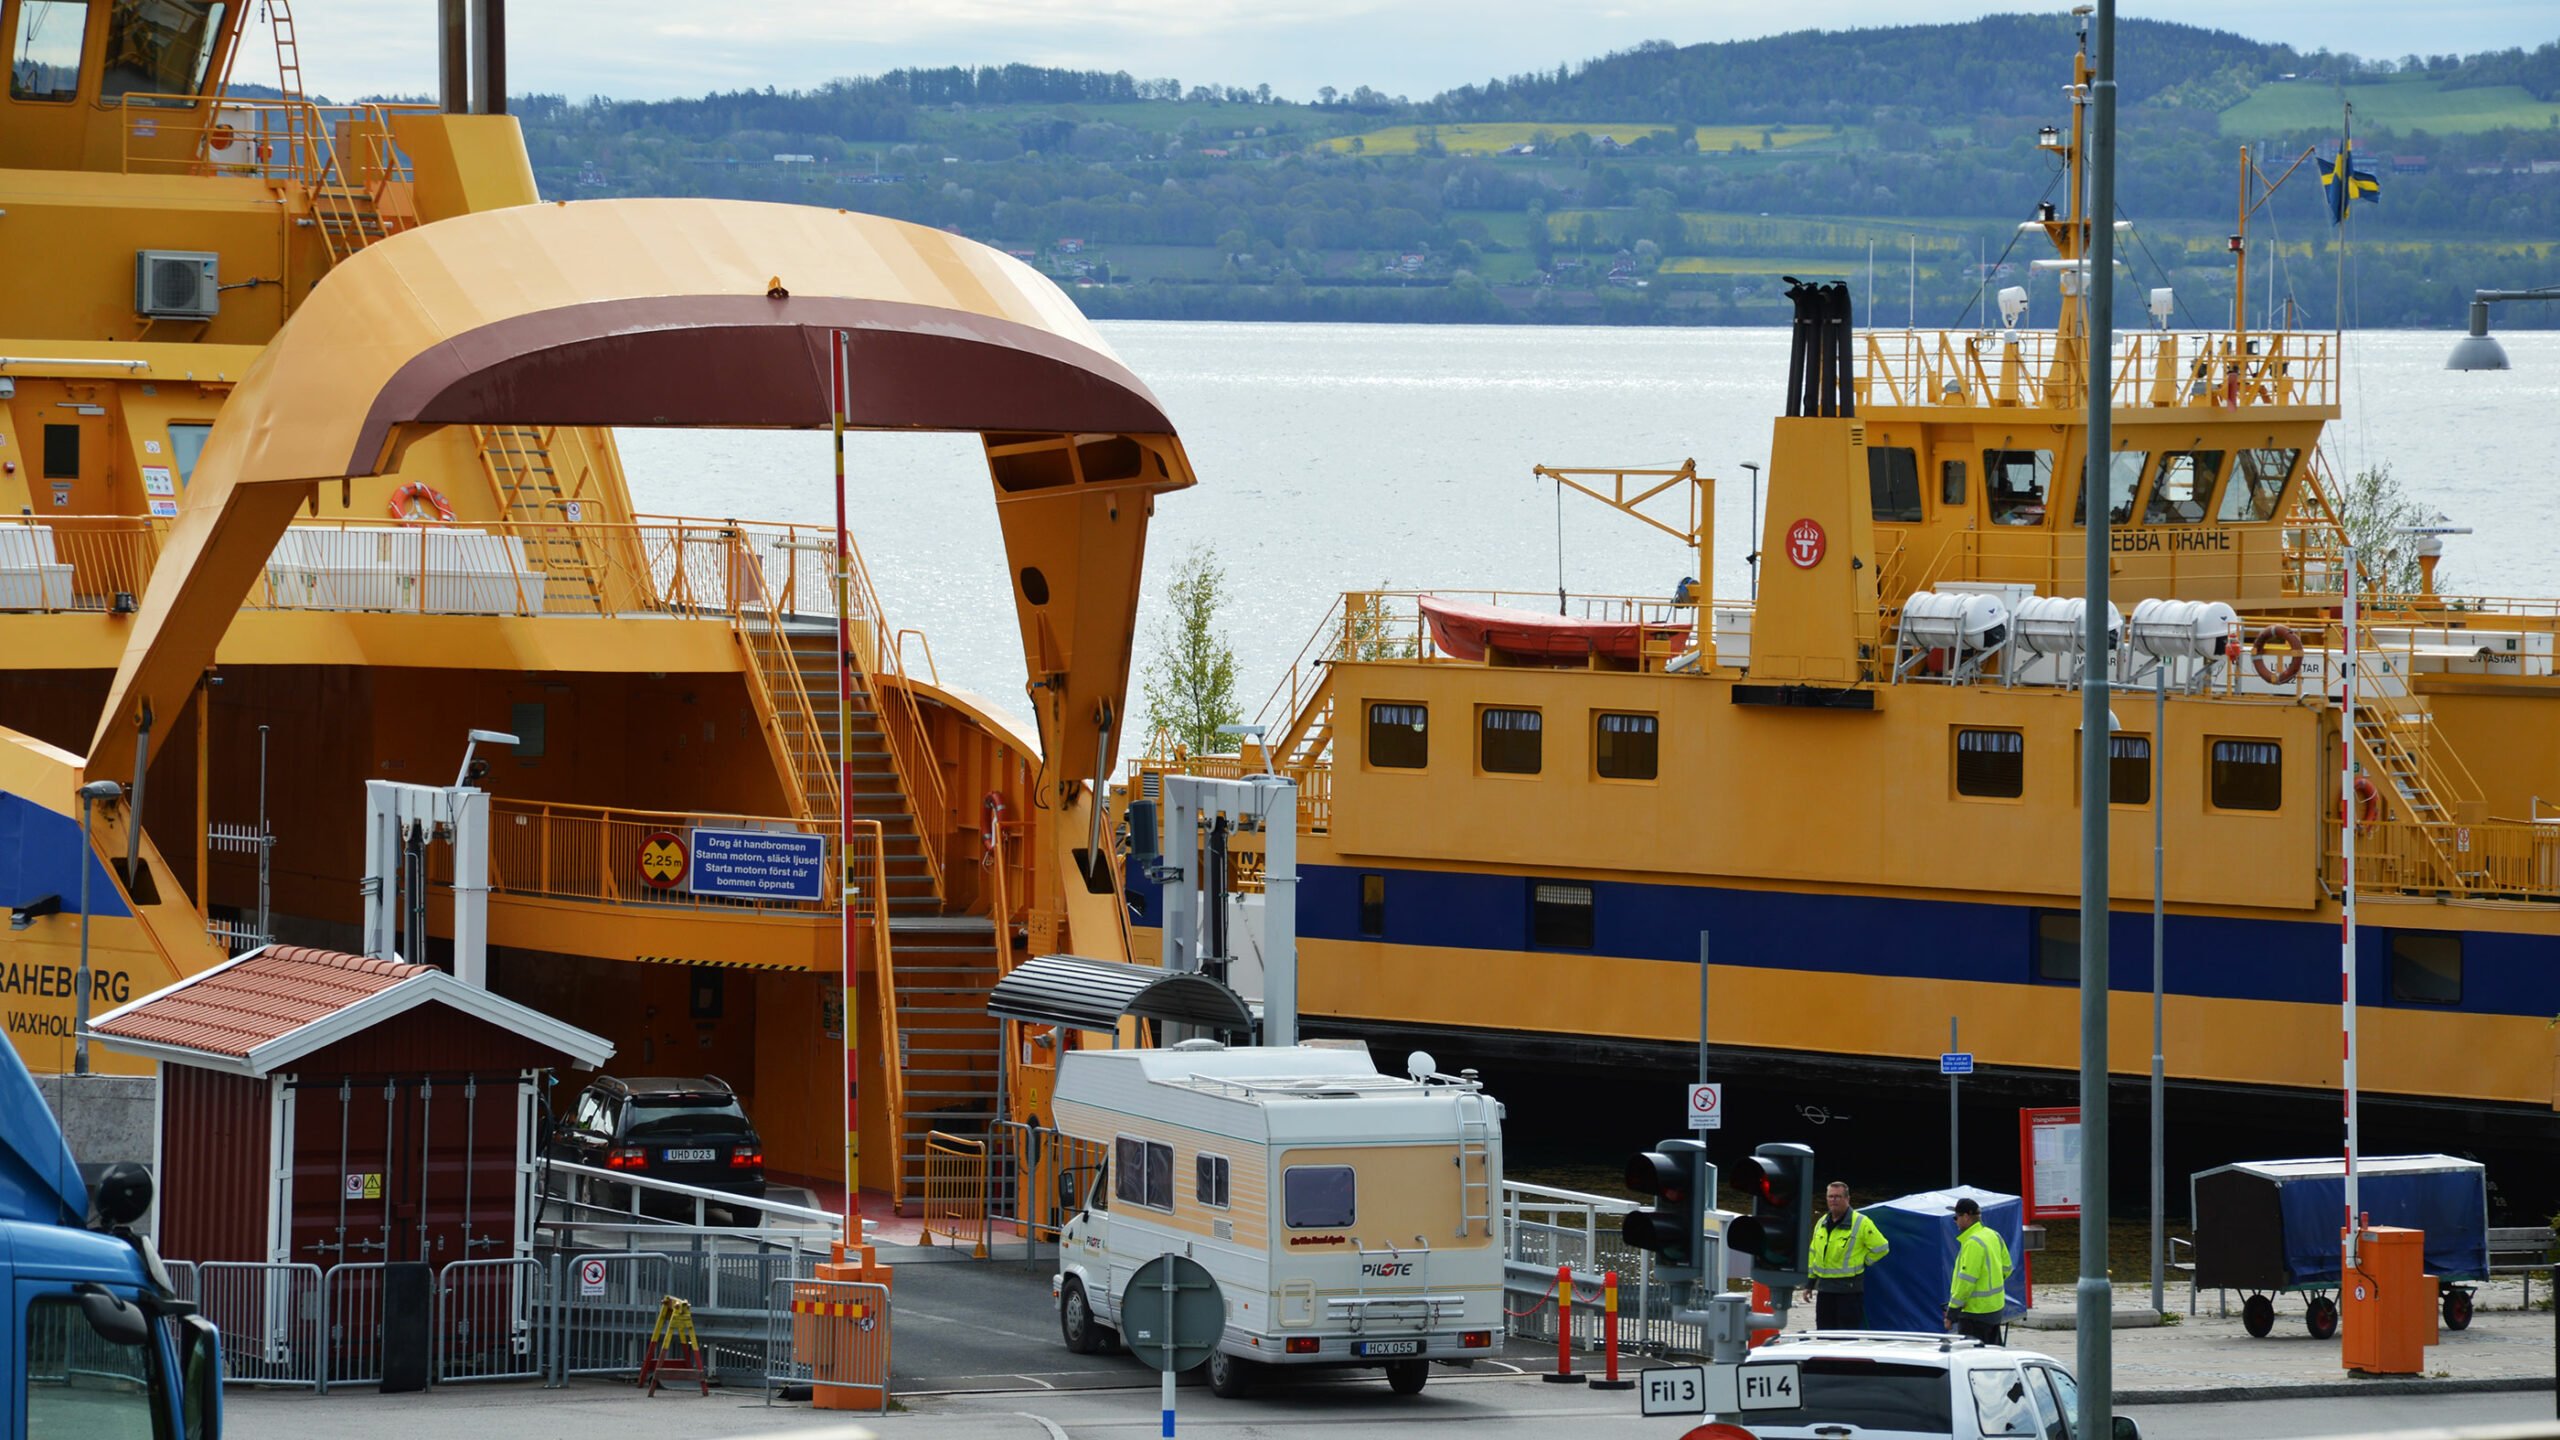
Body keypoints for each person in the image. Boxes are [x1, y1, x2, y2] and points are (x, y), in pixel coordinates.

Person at [1801, 1181, 1890, 1330]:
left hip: (1849, 1292)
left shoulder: (1861, 1223)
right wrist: (1809, 1284)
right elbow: (1814, 1254)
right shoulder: (1822, 1222)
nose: (1833, 1200)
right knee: (1823, 1336)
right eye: (1830, 1197)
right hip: (1825, 1291)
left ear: (1847, 1199)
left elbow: (1881, 1248)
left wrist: (1863, 1262)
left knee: (1846, 1339)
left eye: (1838, 1197)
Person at [1944, 1195, 2012, 1344]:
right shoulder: (1993, 1235)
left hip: (1975, 1313)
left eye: (1957, 1217)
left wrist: (1952, 1312)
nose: (1955, 1221)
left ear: (1966, 1217)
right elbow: (2007, 1268)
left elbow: (1966, 1282)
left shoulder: (1973, 1243)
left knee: (1973, 1358)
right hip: (1995, 1309)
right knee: (1993, 1355)